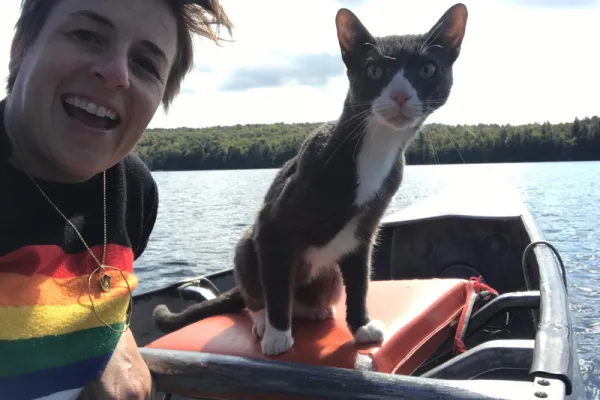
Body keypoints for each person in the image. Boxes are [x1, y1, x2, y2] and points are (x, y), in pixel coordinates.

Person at [0, 0, 233, 399]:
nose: (116, 74)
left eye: (144, 63)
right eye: (87, 36)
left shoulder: (134, 190)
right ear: (22, 45)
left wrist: (114, 337)